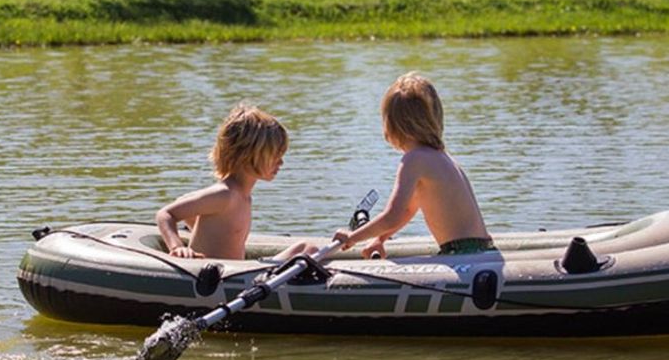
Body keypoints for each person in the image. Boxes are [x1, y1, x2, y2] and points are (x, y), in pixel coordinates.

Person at [333, 72, 492, 258]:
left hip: (461, 253)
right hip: (483, 248)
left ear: (391, 125)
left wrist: (352, 237)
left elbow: (392, 215)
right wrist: (380, 239)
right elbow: (408, 209)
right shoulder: (441, 157)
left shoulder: (413, 160)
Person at [157, 104, 314, 261]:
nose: (281, 163)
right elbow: (166, 214)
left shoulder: (244, 196)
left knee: (308, 248)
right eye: (275, 156)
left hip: (241, 268)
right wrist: (177, 247)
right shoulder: (224, 195)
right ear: (248, 155)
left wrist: (199, 230)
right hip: (218, 273)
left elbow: (188, 205)